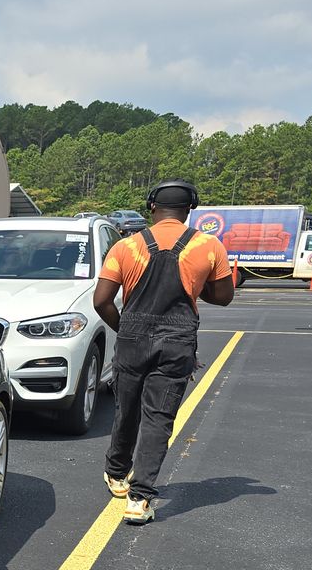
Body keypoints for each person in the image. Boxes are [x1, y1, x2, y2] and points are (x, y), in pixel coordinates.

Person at [94, 180, 234, 524]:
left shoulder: (127, 246)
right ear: (190, 209)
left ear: (151, 207)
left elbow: (101, 301)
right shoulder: (209, 246)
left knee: (126, 409)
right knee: (159, 418)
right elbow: (223, 296)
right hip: (177, 340)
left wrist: (123, 329)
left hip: (132, 339)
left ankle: (116, 473)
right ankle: (140, 499)